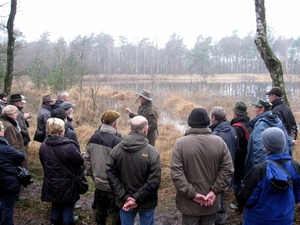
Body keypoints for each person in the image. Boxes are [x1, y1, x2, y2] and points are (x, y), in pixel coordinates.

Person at [171, 108, 234, 225]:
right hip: (211, 202)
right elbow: (228, 170)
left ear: (190, 123)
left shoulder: (180, 144)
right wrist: (214, 192)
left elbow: (176, 174)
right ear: (207, 122)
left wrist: (193, 195)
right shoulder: (219, 142)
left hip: (189, 204)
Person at [106, 115, 161, 225]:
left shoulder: (116, 150)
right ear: (145, 129)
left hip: (124, 200)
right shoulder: (152, 152)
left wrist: (127, 197)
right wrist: (136, 198)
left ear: (130, 129)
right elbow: (154, 180)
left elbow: (111, 175)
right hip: (147, 201)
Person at [239, 127, 300, 225]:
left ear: (265, 147)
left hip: (257, 219)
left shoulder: (259, 170)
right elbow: (297, 195)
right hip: (285, 219)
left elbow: (245, 197)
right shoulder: (295, 166)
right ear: (283, 144)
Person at [39, 118, 84, 225]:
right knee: (68, 206)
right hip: (67, 182)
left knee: (55, 203)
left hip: (51, 181)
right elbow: (79, 161)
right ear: (61, 130)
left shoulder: (43, 146)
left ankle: (54, 221)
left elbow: (43, 162)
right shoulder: (68, 146)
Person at [84, 110, 122, 225]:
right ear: (115, 124)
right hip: (113, 186)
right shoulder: (117, 141)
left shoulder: (93, 138)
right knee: (116, 212)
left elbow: (87, 160)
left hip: (99, 184)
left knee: (100, 211)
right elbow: (122, 165)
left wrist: (94, 177)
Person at [243, 99, 294, 176]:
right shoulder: (278, 122)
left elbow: (259, 149)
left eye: (256, 108)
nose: (254, 110)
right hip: (282, 168)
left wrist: (260, 171)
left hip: (266, 170)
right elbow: (289, 143)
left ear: (262, 110)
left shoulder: (261, 125)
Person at [209, 106, 239, 225]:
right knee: (221, 196)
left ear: (213, 118)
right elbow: (236, 147)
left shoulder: (215, 134)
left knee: (218, 197)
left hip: (219, 171)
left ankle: (219, 220)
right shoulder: (232, 129)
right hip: (230, 169)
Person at [0, 121, 25, 225]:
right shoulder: (4, 147)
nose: (3, 131)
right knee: (8, 207)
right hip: (7, 180)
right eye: (2, 129)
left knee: (3, 203)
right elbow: (20, 156)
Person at [230, 101, 253, 210]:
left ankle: (239, 204)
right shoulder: (250, 124)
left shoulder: (236, 128)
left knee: (236, 181)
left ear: (236, 114)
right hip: (249, 158)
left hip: (239, 159)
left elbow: (234, 146)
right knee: (246, 180)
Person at [9, 94, 31, 161]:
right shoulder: (16, 112)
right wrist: (26, 134)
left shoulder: (18, 111)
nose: (22, 102)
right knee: (23, 156)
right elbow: (20, 128)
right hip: (21, 138)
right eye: (20, 101)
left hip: (21, 138)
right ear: (15, 102)